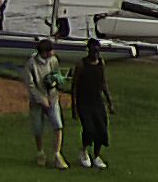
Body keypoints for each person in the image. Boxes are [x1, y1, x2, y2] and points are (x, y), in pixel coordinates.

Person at [23, 37, 68, 169]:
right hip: (37, 100)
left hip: (52, 97)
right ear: (44, 52)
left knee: (58, 125)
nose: (53, 52)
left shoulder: (53, 60)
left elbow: (56, 74)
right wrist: (41, 99)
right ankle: (40, 152)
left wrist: (58, 80)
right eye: (51, 50)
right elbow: (30, 85)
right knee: (38, 128)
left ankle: (57, 154)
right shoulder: (31, 64)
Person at [73, 38, 115, 169]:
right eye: (93, 51)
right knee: (89, 129)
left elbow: (103, 83)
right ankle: (84, 151)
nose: (95, 54)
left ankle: (96, 155)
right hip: (84, 102)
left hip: (97, 101)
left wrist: (109, 101)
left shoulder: (101, 63)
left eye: (97, 51)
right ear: (88, 51)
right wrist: (74, 107)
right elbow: (74, 86)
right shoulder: (81, 65)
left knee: (101, 129)